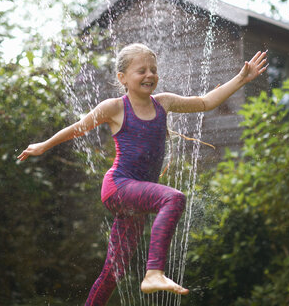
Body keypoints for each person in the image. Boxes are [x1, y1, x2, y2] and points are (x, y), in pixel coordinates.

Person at [17, 43, 268, 306]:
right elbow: (79, 128)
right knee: (173, 198)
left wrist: (242, 78)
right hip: (118, 187)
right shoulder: (115, 107)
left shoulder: (164, 103)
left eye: (153, 70)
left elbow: (205, 102)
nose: (149, 75)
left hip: (134, 203)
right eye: (141, 71)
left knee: (112, 272)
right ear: (122, 78)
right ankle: (154, 273)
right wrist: (44, 145)